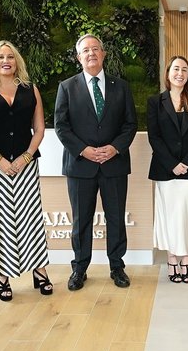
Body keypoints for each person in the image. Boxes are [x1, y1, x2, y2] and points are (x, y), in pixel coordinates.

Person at [54, 34, 138, 291]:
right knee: (81, 220)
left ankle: (117, 266)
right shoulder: (67, 87)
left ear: (103, 54)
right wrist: (84, 150)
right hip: (81, 166)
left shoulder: (120, 86)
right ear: (79, 57)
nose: (91, 54)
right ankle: (79, 268)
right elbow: (61, 126)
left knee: (115, 218)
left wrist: (114, 148)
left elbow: (130, 124)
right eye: (85, 51)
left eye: (95, 49)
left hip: (114, 164)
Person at [0, 40, 53, 301]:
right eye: (0, 57)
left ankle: (39, 272)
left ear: (17, 61)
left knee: (30, 219)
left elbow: (39, 129)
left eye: (10, 57)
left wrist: (27, 156)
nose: (5, 61)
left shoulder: (31, 89)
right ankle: (2, 277)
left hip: (26, 165)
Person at [147, 55, 188, 283]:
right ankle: (172, 259)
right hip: (165, 171)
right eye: (176, 69)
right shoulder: (156, 102)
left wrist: (186, 163)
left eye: (184, 69)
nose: (180, 73)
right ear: (168, 73)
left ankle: (186, 260)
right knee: (170, 216)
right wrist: (173, 164)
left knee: (187, 216)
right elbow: (155, 137)